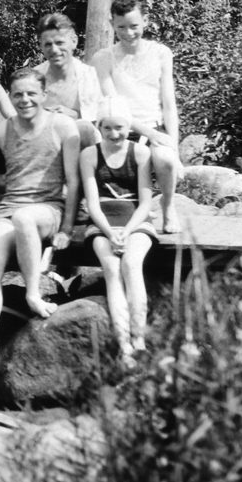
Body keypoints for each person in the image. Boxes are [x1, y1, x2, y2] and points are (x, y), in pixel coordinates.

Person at [0, 68, 82, 377]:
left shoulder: (63, 126)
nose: (25, 100)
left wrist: (65, 230)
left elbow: (74, 183)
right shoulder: (2, 130)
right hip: (10, 208)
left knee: (24, 218)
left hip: (47, 209)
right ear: (9, 97)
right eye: (18, 94)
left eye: (31, 93)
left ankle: (33, 293)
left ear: (44, 95)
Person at [91, 0, 182, 233]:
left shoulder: (161, 53)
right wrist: (149, 134)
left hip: (155, 124)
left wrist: (174, 147)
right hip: (119, 129)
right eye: (121, 27)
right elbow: (114, 106)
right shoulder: (103, 58)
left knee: (165, 158)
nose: (129, 33)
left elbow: (169, 103)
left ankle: (168, 205)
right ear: (112, 25)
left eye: (134, 26)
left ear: (145, 22)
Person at [79, 97, 157, 366]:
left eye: (120, 128)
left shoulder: (140, 153)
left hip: (135, 220)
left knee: (132, 264)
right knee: (112, 268)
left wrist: (128, 229)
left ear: (129, 127)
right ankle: (123, 343)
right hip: (102, 222)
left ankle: (139, 338)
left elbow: (146, 201)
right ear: (99, 127)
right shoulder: (90, 155)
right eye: (108, 128)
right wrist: (110, 233)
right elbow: (91, 203)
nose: (114, 134)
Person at [31, 12, 102, 148]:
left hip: (83, 149)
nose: (54, 50)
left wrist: (73, 115)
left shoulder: (88, 76)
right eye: (48, 44)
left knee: (84, 127)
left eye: (59, 43)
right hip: (43, 145)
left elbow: (99, 122)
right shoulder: (34, 77)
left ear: (74, 41)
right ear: (41, 46)